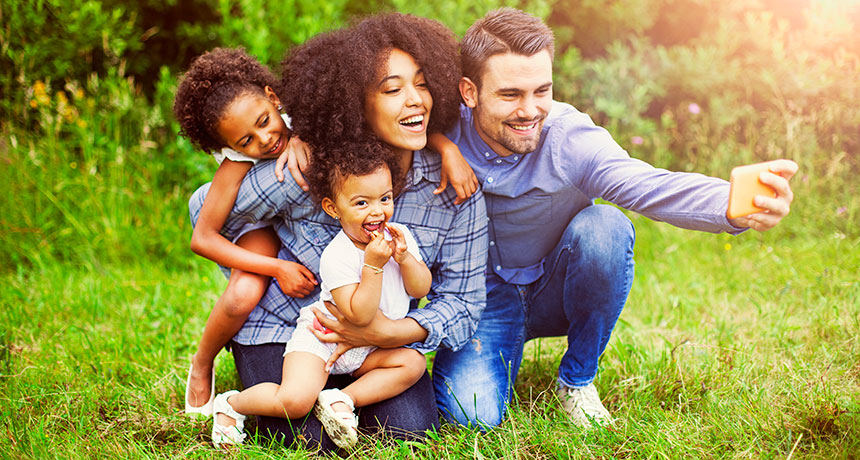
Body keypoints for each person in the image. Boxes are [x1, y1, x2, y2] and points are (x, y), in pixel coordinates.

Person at [429, 8, 798, 430]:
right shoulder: (439, 130)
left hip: (556, 287)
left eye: (542, 91)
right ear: (469, 92)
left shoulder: (568, 137)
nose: (530, 110)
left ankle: (577, 379)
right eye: (510, 94)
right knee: (470, 418)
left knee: (605, 226)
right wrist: (442, 145)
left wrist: (729, 204)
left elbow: (646, 184)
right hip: (482, 300)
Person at [188, 13, 488, 451]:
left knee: (406, 434)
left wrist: (393, 333)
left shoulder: (454, 188)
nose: (415, 100)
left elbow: (463, 303)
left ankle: (341, 398)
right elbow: (204, 213)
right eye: (392, 89)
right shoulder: (310, 167)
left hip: (376, 340)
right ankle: (239, 397)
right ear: (355, 102)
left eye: (422, 84)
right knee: (308, 440)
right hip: (291, 327)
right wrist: (264, 259)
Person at [208, 141, 431, 450]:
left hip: (369, 348)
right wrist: (374, 266)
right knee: (295, 401)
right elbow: (359, 315)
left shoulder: (400, 237)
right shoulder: (337, 254)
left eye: (385, 198)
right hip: (323, 339)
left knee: (412, 363)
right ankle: (233, 404)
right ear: (332, 208)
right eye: (361, 203)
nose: (377, 210)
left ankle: (341, 399)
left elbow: (420, 289)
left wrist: (406, 259)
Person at [172, 48, 317, 417]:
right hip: (260, 225)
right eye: (246, 141)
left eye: (265, 121)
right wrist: (277, 269)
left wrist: (299, 135)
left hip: (297, 218)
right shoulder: (237, 162)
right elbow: (202, 237)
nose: (264, 140)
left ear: (273, 97)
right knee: (242, 294)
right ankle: (203, 361)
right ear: (230, 147)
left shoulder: (302, 115)